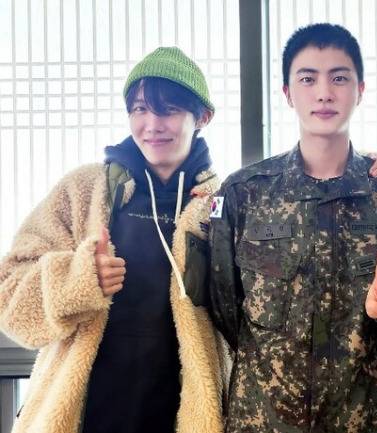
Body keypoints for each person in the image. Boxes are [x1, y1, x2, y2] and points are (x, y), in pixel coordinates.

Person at [208, 23, 377, 433]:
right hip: (261, 420)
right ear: (287, 93)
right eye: (307, 78)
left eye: (339, 78)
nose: (324, 93)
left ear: (360, 90)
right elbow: (224, 306)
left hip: (360, 420)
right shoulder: (244, 194)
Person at [0, 47, 231, 433]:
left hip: (182, 417)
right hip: (85, 416)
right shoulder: (84, 190)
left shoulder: (221, 205)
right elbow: (9, 296)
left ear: (203, 116)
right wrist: (78, 278)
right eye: (140, 109)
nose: (152, 124)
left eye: (169, 110)